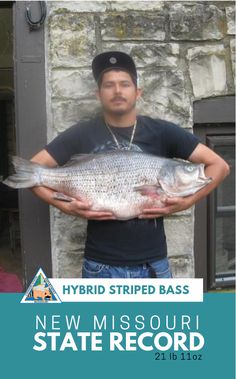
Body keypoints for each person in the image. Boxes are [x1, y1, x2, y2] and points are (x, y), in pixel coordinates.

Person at [30, 51, 230, 279]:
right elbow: (35, 169)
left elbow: (219, 166)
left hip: (154, 265)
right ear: (98, 94)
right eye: (109, 85)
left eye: (125, 84)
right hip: (100, 266)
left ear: (137, 92)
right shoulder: (81, 133)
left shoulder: (162, 132)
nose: (117, 91)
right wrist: (65, 207)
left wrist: (183, 203)